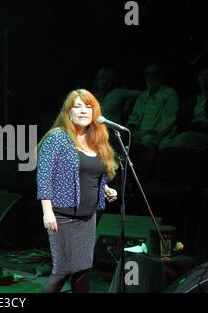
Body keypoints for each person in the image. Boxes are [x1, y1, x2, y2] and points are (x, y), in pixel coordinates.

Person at [36, 89, 118, 293]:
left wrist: (105, 188)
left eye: (88, 106)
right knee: (63, 270)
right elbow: (43, 176)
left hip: (87, 217)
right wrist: (47, 211)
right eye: (77, 106)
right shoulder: (57, 138)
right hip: (62, 216)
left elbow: (89, 174)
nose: (83, 111)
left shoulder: (96, 141)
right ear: (68, 112)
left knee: (82, 270)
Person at [125, 64, 179, 181]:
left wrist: (155, 130)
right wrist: (131, 126)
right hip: (139, 131)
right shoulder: (143, 96)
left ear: (161, 76)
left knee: (150, 144)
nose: (151, 77)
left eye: (154, 73)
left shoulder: (169, 94)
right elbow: (135, 115)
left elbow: (171, 117)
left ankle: (143, 179)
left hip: (157, 132)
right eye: (148, 74)